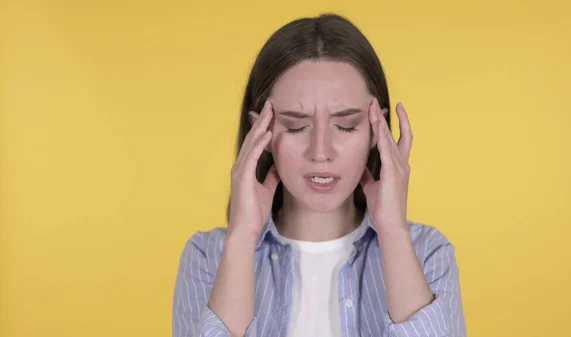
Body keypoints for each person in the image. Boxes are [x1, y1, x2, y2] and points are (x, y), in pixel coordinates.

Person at [173, 13, 466, 337]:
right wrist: (242, 236)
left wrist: (393, 230)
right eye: (297, 126)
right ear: (261, 130)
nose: (321, 151)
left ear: (375, 130)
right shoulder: (207, 257)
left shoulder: (428, 252)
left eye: (346, 125)